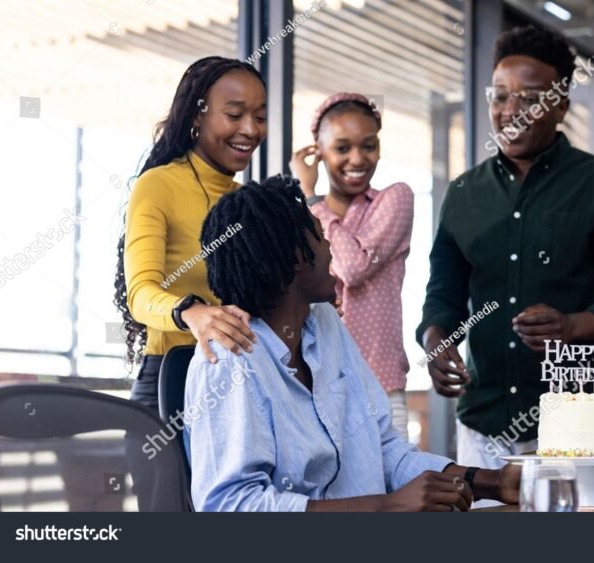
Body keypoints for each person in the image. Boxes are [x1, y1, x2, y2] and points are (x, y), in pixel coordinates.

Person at [184, 175, 521, 511]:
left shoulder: (326, 324)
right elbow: (229, 505)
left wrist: (491, 482)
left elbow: (385, 448)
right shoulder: (228, 360)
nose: (330, 245)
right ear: (297, 257)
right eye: (320, 234)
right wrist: (386, 509)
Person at [417, 26, 594, 475]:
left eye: (529, 99)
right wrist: (436, 342)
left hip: (577, 418)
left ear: (561, 104)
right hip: (483, 423)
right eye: (500, 96)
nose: (511, 112)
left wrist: (572, 325)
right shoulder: (464, 192)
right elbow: (443, 296)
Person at [114, 56, 264, 414]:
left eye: (260, 117)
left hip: (236, 385)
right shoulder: (159, 185)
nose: (250, 129)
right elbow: (141, 294)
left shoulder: (248, 202)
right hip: (171, 384)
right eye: (234, 114)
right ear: (199, 115)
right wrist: (191, 312)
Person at [289, 93, 413, 438]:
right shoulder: (298, 216)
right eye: (342, 148)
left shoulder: (396, 199)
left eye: (368, 146)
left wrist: (311, 197)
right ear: (318, 151)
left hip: (381, 384)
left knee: (397, 488)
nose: (357, 159)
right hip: (316, 385)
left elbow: (351, 268)